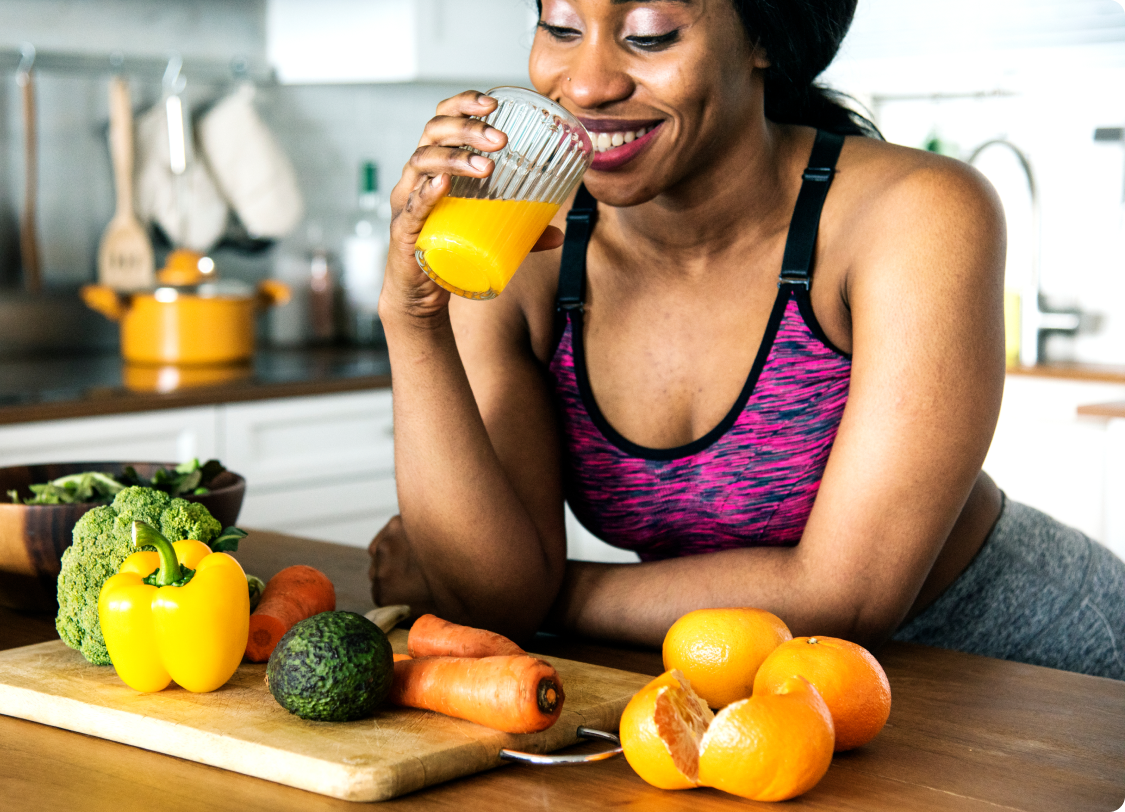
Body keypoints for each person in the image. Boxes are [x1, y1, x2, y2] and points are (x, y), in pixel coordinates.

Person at [367, 0, 1125, 679]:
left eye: (649, 35)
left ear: (763, 35)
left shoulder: (914, 212)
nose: (587, 83)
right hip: (755, 689)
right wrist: (413, 318)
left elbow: (842, 602)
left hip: (1025, 670)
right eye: (560, 27)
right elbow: (496, 594)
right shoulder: (526, 242)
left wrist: (546, 593)